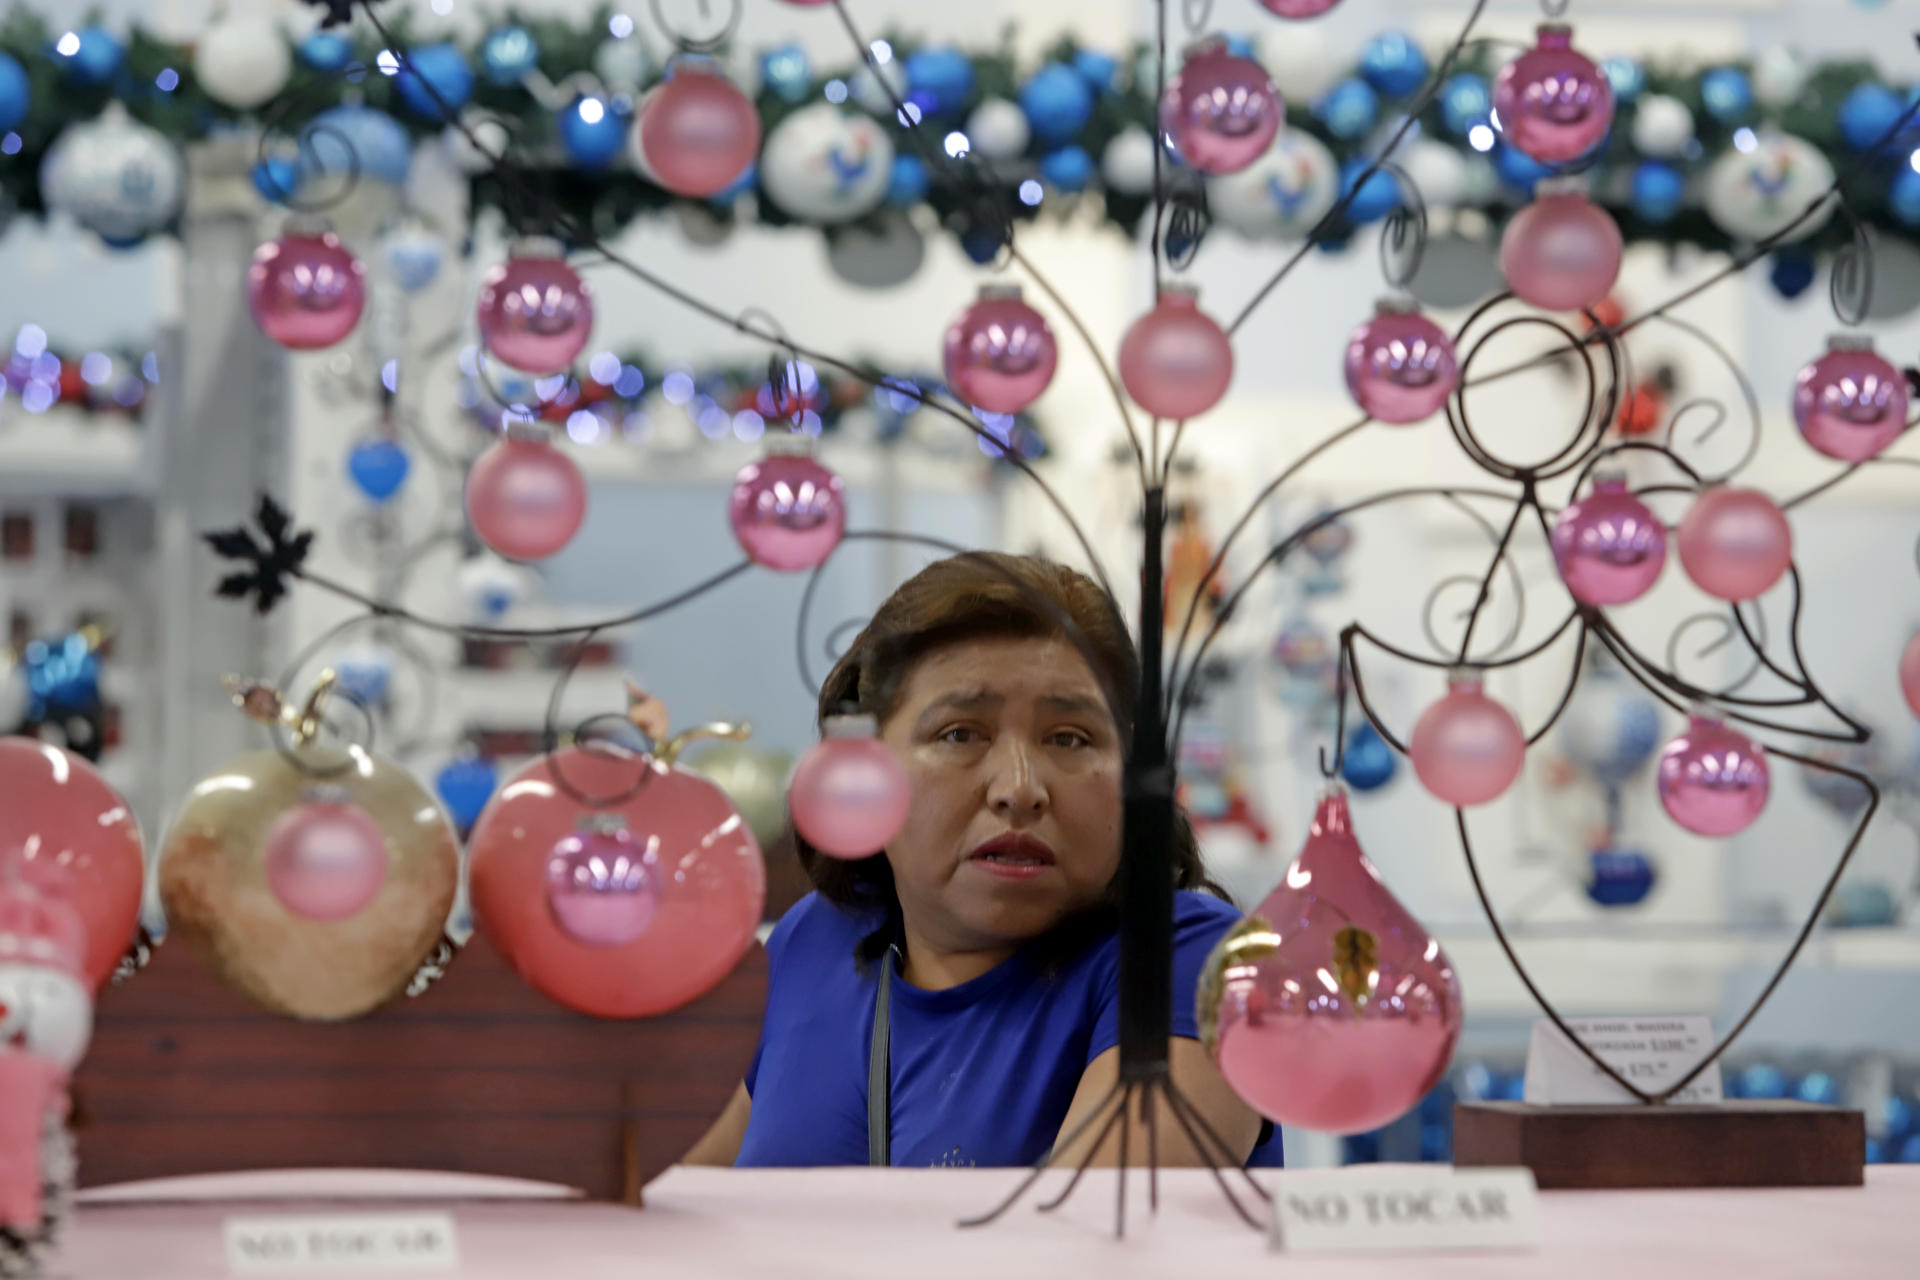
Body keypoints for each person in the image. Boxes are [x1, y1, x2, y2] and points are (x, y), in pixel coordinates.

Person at [685, 552, 1282, 1169]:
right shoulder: (811, 941)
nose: (1019, 787)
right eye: (960, 734)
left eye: (1070, 738)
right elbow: (677, 1208)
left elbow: (1085, 1246)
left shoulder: (1194, 967)